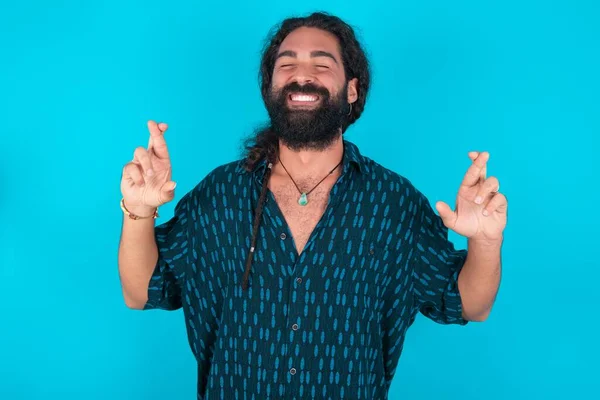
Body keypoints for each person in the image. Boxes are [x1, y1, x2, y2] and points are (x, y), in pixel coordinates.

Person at [118, 11, 507, 400]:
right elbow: (141, 291)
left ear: (352, 90)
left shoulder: (395, 204)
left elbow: (469, 304)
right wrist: (137, 210)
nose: (302, 76)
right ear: (270, 86)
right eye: (286, 64)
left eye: (321, 64)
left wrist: (486, 241)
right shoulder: (218, 195)